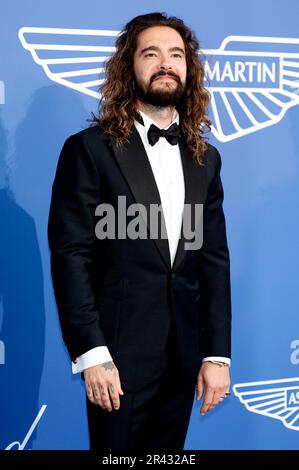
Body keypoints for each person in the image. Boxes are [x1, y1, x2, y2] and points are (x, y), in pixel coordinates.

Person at [48, 12, 232, 451]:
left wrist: (216, 354)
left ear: (189, 68)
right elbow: (70, 255)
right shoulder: (89, 151)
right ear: (128, 67)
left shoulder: (206, 158)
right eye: (151, 54)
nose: (165, 63)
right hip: (116, 358)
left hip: (183, 357)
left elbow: (213, 259)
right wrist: (92, 354)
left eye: (176, 54)